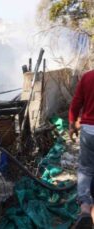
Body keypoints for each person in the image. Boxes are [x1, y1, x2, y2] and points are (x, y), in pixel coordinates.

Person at [69, 70, 94, 228]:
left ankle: (85, 208)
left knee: (86, 170)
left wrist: (71, 125)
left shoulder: (87, 77)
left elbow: (76, 103)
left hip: (89, 132)